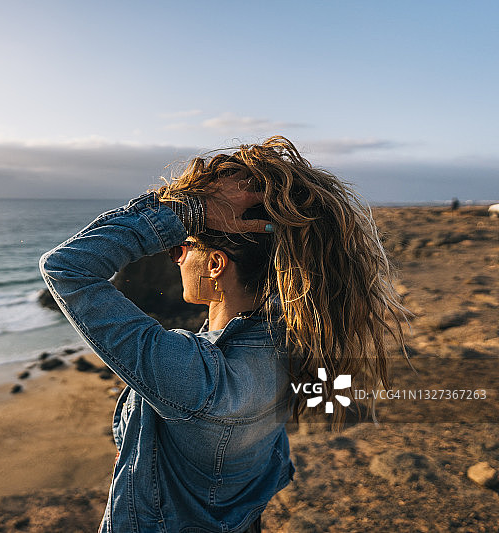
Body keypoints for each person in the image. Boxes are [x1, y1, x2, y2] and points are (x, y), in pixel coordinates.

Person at [39, 136, 406, 533]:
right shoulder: (294, 341)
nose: (174, 256)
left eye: (181, 247)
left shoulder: (198, 377)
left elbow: (67, 267)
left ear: (215, 263)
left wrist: (187, 211)